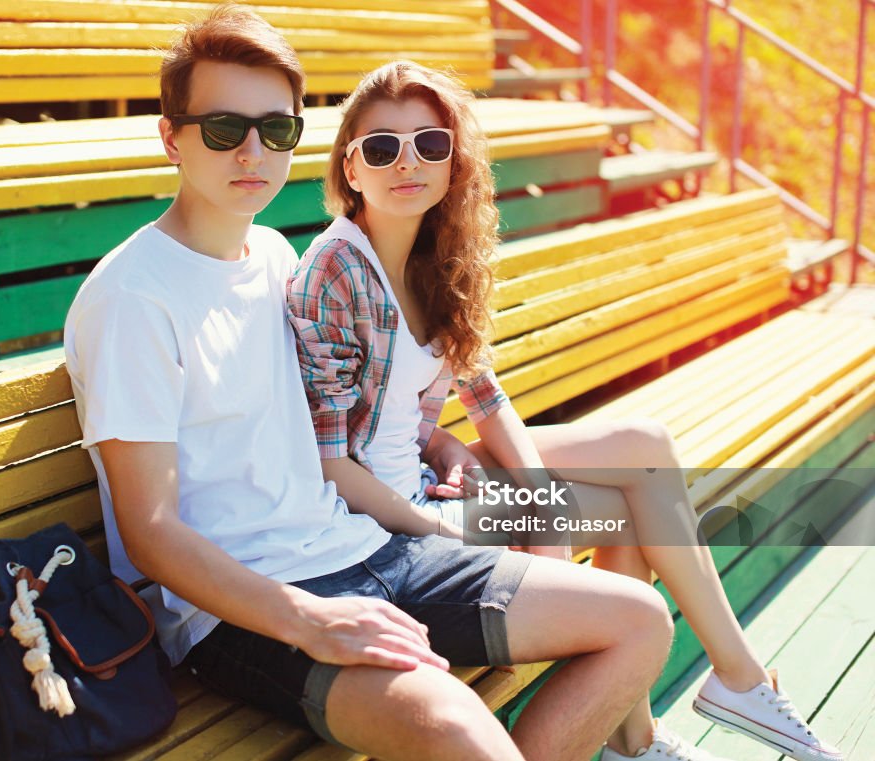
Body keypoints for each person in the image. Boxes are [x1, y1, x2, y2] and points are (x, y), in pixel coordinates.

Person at [64, 8, 676, 760]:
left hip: (369, 547)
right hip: (244, 614)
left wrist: (443, 439)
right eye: (224, 128)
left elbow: (346, 411)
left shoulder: (277, 258)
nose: (252, 150)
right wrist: (312, 621)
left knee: (640, 618)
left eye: (276, 129)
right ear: (171, 137)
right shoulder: (133, 298)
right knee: (459, 727)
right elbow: (152, 534)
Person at [287, 60, 843, 761]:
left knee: (642, 445)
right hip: (387, 524)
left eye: (430, 143)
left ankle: (681, 710)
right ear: (351, 168)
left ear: (453, 159)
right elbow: (331, 463)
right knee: (631, 501)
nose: (408, 162)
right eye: (382, 147)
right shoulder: (339, 268)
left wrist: (531, 495)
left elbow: (483, 399)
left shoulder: (434, 253)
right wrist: (457, 507)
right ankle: (698, 703)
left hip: (429, 481)